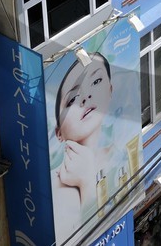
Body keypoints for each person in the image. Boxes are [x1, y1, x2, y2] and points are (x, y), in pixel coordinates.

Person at [53, 50, 116, 222]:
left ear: (110, 90)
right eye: (72, 99)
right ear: (59, 133)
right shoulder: (55, 184)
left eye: (96, 81)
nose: (86, 96)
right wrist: (87, 183)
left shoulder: (119, 154)